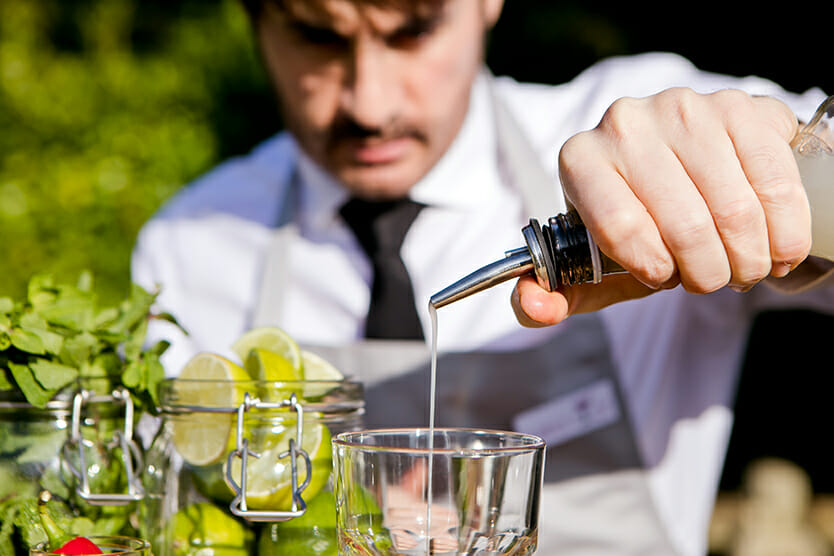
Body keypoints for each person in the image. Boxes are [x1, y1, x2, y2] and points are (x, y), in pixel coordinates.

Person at [131, 0, 834, 554]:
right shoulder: (191, 245)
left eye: (413, 31)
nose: (369, 105)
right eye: (317, 37)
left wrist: (794, 189)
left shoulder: (637, 128)